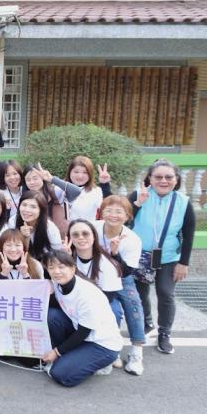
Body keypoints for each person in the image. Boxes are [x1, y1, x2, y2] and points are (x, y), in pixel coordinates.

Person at [128, 159, 195, 355]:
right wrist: (137, 204)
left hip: (168, 257)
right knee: (140, 294)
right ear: (150, 178)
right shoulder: (138, 195)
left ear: (176, 179)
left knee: (165, 293)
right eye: (158, 177)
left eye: (168, 177)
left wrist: (183, 263)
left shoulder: (183, 201)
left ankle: (164, 333)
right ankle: (146, 322)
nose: (163, 181)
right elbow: (123, 219)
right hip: (140, 255)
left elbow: (189, 234)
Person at [42, 250, 123, 387]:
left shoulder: (87, 294)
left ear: (73, 268)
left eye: (61, 267)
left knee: (60, 374)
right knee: (52, 316)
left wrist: (56, 352)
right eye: (51, 267)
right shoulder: (58, 284)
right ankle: (72, 357)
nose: (56, 271)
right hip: (82, 333)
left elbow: (83, 332)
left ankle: (103, 363)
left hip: (102, 344)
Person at [92, 196, 145, 374]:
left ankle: (137, 351)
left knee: (133, 304)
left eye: (118, 211)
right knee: (110, 310)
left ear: (128, 216)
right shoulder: (93, 228)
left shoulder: (132, 239)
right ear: (101, 213)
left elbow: (127, 271)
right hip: (95, 275)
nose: (113, 215)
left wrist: (115, 253)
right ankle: (111, 349)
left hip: (121, 275)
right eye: (108, 210)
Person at [66, 220, 123, 324]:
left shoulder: (107, 264)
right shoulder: (67, 257)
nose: (81, 237)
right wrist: (66, 261)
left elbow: (108, 296)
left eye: (85, 234)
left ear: (94, 236)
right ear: (70, 239)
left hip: (99, 301)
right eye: (75, 235)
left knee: (114, 312)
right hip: (72, 300)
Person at [11, 190, 63, 262]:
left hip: (45, 263)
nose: (27, 210)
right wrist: (24, 238)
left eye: (33, 207)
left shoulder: (50, 228)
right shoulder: (13, 221)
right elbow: (12, 250)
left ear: (41, 210)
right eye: (24, 205)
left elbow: (57, 255)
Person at [23, 164, 69, 237]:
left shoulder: (55, 191)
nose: (32, 182)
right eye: (28, 180)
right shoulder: (25, 199)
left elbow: (77, 191)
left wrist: (52, 179)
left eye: (35, 178)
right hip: (38, 239)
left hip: (61, 237)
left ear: (43, 178)